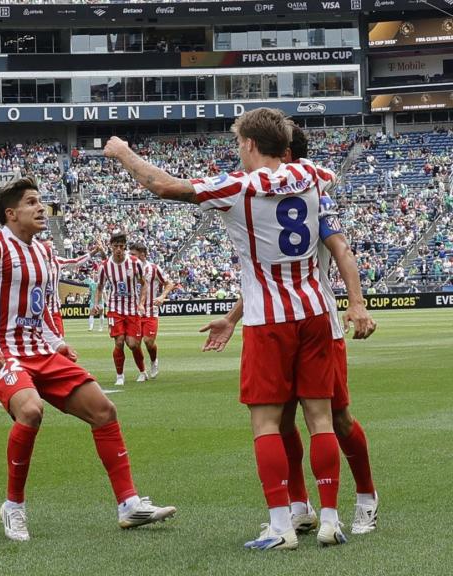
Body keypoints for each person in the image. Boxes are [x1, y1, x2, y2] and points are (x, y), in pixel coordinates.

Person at [103, 107, 345, 549]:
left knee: (267, 423)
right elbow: (320, 184)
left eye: (239, 143)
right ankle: (329, 519)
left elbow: (161, 185)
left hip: (269, 318)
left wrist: (123, 153)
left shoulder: (238, 187)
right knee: (320, 418)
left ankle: (280, 526)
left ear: (250, 145)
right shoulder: (316, 173)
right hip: (314, 310)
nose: (238, 151)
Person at [0, 176, 175, 542]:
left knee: (103, 410)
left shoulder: (45, 251)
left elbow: (46, 304)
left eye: (41, 201)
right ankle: (14, 507)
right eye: (32, 202)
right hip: (4, 353)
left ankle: (129, 504)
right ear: (11, 213)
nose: (41, 208)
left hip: (41, 350)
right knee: (31, 411)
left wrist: (56, 342)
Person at [200, 124, 379, 536]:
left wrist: (356, 303)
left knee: (337, 418)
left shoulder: (314, 194)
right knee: (283, 421)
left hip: (317, 320)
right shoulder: (281, 190)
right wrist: (232, 317)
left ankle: (366, 496)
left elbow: (342, 251)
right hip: (288, 315)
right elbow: (268, 274)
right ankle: (301, 506)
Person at [94, 230, 149, 386]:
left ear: (125, 247)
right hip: (115, 308)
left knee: (133, 344)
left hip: (132, 309)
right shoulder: (105, 266)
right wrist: (98, 304)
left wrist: (141, 303)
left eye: (121, 246)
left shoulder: (135, 263)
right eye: (115, 246)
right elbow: (100, 287)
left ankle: (142, 371)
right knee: (119, 342)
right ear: (111, 246)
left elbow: (143, 284)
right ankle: (120, 376)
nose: (118, 249)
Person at [129, 243, 176, 380]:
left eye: (133, 254)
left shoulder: (153, 269)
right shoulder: (127, 268)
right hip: (133, 312)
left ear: (142, 255)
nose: (130, 257)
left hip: (150, 311)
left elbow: (169, 284)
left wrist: (162, 296)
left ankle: (154, 361)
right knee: (134, 344)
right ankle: (142, 372)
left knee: (148, 341)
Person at [43, 238, 102, 337]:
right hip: (40, 311)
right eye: (48, 247)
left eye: (51, 247)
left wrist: (94, 252)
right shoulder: (34, 262)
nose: (50, 249)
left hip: (54, 309)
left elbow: (76, 261)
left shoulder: (58, 261)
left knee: (59, 338)